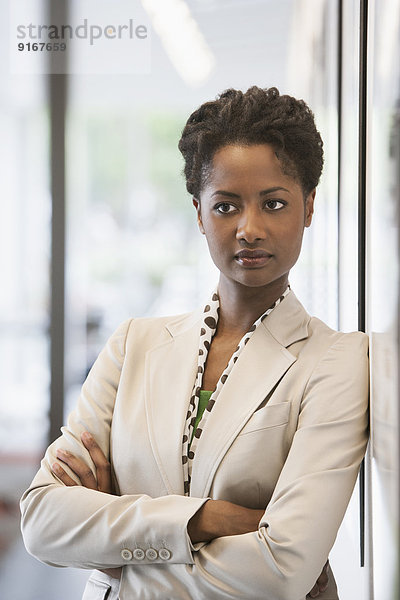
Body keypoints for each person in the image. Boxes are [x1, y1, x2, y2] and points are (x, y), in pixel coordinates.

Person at [20, 86, 369, 600]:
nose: (249, 229)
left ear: (309, 206)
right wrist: (208, 518)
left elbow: (282, 571)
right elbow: (43, 522)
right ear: (199, 213)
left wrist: (115, 547)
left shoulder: (337, 362)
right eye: (226, 206)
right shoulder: (133, 346)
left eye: (274, 203)